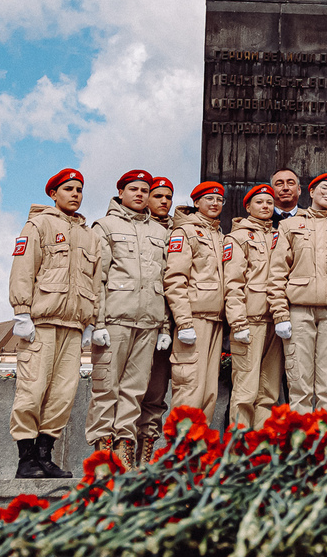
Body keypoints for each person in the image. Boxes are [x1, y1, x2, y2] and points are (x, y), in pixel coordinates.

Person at [7, 168, 101, 478]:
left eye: (79, 189)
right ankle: (26, 459)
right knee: (32, 390)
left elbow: (96, 280)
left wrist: (92, 320)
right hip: (42, 321)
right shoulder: (38, 225)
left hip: (74, 326)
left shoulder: (89, 235)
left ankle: (45, 456)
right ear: (53, 194)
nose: (76, 194)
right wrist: (22, 311)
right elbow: (23, 267)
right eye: (69, 189)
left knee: (63, 394)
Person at [86, 170, 172, 463]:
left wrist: (164, 327)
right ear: (120, 192)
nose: (140, 194)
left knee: (134, 391)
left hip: (149, 323)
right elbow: (97, 276)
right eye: (133, 189)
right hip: (115, 321)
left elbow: (165, 281)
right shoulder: (105, 226)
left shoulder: (161, 233)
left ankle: (123, 454)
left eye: (144, 190)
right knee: (106, 389)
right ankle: (102, 456)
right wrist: (96, 323)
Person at [269, 172, 327, 414]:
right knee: (299, 385)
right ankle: (301, 448)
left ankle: (326, 447)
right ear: (311, 191)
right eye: (324, 188)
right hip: (298, 312)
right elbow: (277, 273)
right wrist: (280, 315)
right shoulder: (288, 226)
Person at [164, 182, 230, 415]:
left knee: (209, 392)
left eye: (219, 199)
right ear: (196, 202)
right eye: (209, 198)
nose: (215, 203)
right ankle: (181, 449)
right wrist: (184, 322)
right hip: (194, 320)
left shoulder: (220, 235)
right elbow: (175, 279)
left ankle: (199, 448)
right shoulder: (185, 232)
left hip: (217, 320)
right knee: (189, 387)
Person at [225, 184, 284, 430]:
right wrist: (238, 322)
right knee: (245, 391)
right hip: (250, 321)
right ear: (247, 207)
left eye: (269, 203)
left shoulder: (281, 236)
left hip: (277, 321)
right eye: (259, 202)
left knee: (269, 392)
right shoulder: (237, 237)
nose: (265, 207)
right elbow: (233, 282)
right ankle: (238, 449)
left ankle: (261, 449)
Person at [133, 177, 179, 458]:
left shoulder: (182, 230)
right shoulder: (136, 229)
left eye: (168, 197)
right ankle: (121, 452)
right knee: (133, 388)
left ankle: (145, 451)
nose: (164, 201)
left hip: (175, 322)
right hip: (144, 318)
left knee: (156, 393)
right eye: (158, 195)